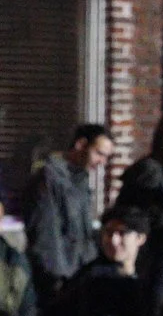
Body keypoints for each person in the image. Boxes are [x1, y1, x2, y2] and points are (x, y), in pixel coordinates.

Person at [24, 123, 113, 303]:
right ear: (81, 145)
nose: (102, 162)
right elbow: (46, 235)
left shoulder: (80, 181)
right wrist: (59, 281)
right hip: (60, 284)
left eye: (106, 157)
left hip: (79, 279)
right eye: (99, 153)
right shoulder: (49, 179)